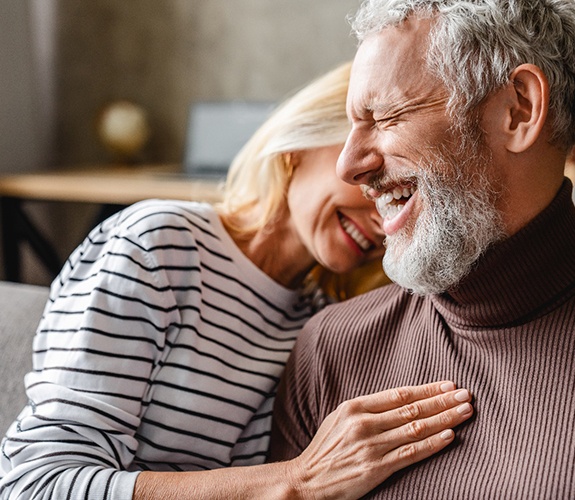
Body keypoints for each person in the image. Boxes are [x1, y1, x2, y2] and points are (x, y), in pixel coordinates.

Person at [0, 62, 474, 499]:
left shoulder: (320, 322)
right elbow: (37, 483)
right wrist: (297, 481)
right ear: (302, 146)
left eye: (403, 195)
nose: (381, 217)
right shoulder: (160, 244)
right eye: (372, 178)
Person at [270, 1, 575, 498]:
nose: (349, 165)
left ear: (519, 109)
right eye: (352, 125)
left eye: (386, 116)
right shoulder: (332, 349)